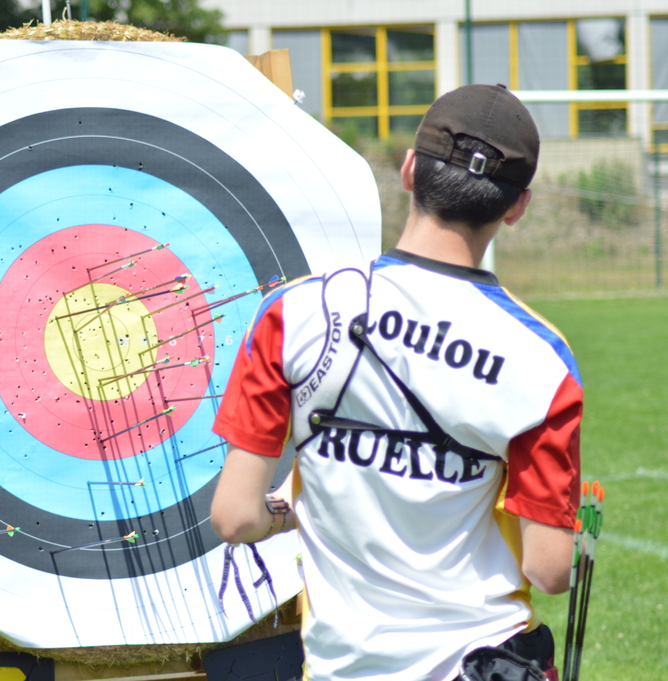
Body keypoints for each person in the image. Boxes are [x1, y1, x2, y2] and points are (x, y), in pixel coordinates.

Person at [210, 85, 581, 681]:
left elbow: (234, 517)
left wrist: (295, 506)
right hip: (482, 658)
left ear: (410, 170)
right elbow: (549, 569)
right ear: (517, 207)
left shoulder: (292, 315)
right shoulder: (542, 360)